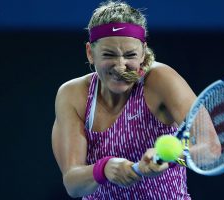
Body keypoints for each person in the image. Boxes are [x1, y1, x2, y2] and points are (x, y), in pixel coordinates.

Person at [52, 1, 196, 199]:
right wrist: (103, 169)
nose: (120, 66)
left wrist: (171, 158)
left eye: (130, 55)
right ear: (90, 53)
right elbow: (73, 184)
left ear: (143, 52)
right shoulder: (72, 95)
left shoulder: (161, 80)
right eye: (109, 54)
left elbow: (210, 149)